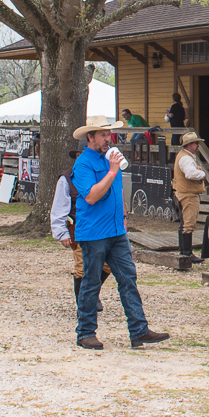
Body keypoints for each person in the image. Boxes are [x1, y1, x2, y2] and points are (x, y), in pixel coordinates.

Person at [71, 115, 169, 350]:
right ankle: (85, 332)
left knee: (128, 278)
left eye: (109, 134)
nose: (108, 139)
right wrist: (112, 172)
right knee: (91, 282)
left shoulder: (110, 158)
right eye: (103, 135)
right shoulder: (83, 163)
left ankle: (139, 330)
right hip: (94, 232)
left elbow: (118, 191)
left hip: (116, 230)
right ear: (90, 137)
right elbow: (91, 196)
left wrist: (124, 217)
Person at [50, 165, 113, 311]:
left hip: (103, 227)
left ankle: (92, 292)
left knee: (107, 264)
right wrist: (62, 232)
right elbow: (59, 206)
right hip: (80, 228)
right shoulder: (67, 178)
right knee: (82, 267)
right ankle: (84, 306)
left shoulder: (103, 172)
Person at [172, 131, 206, 261]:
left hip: (184, 193)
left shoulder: (183, 155)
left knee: (185, 223)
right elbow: (190, 174)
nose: (197, 145)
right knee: (188, 224)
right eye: (196, 143)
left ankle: (185, 252)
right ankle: (186, 253)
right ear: (189, 145)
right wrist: (202, 174)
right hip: (188, 195)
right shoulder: (186, 158)